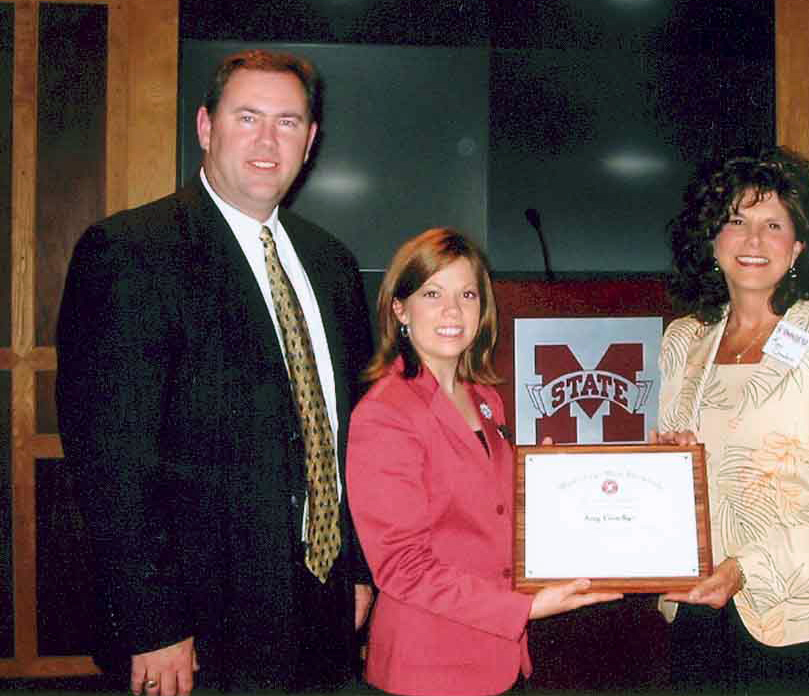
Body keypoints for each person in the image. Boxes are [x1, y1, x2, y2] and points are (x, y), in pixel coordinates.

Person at [55, 49, 373, 695]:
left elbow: (352, 434)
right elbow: (110, 460)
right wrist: (152, 622)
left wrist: (358, 570)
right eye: (246, 116)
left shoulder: (333, 265)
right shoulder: (131, 253)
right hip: (197, 626)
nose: (266, 139)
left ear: (309, 141)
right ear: (205, 127)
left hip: (319, 603)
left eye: (287, 122)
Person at [651, 147, 809, 693]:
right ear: (712, 240)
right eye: (736, 221)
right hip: (699, 609)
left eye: (774, 224)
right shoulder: (684, 339)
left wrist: (747, 570)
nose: (754, 241)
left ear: (800, 244)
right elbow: (670, 470)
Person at [346, 228, 622, 696]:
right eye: (432, 293)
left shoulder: (486, 401)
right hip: (428, 667)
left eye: (467, 294)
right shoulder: (384, 413)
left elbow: (490, 515)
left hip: (503, 660)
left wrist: (552, 487)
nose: (452, 311)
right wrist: (524, 609)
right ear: (400, 309)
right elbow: (401, 566)